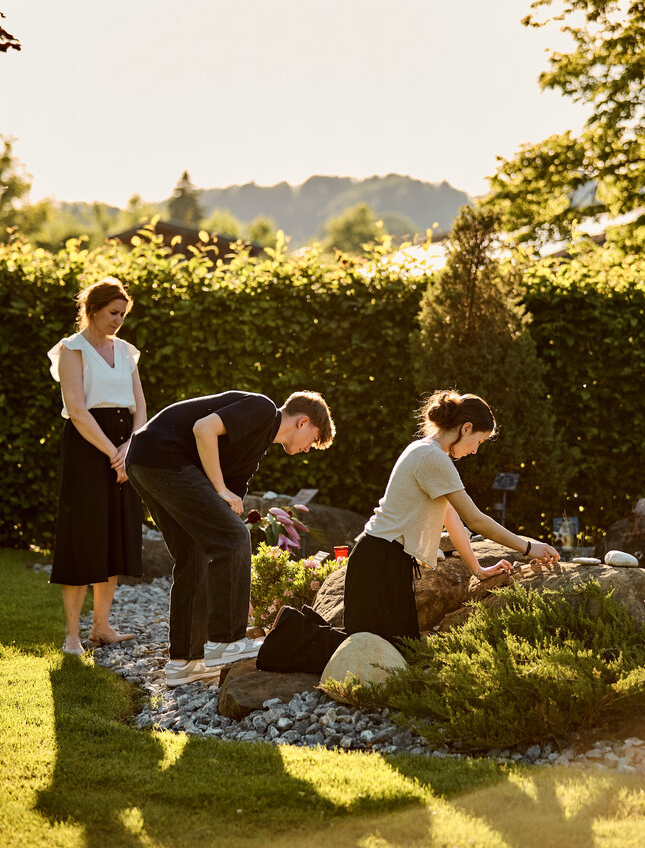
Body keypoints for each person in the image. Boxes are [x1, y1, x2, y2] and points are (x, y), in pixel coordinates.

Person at [125, 390, 335, 687]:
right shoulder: (263, 409)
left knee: (194, 552)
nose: (308, 449)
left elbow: (229, 503)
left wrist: (224, 499)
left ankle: (185, 662)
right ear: (303, 422)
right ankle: (226, 641)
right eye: (313, 440)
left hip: (145, 460)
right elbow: (204, 428)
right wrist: (220, 489)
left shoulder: (256, 447)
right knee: (235, 538)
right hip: (163, 458)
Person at [344, 389, 559, 645]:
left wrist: (478, 570)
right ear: (466, 428)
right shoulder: (432, 456)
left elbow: (453, 519)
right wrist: (528, 547)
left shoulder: (428, 451)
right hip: (380, 561)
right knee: (374, 650)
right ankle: (300, 637)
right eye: (478, 441)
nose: (475, 451)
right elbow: (475, 520)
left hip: (383, 558)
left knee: (395, 650)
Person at [48, 276, 146, 655]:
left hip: (125, 445)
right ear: (92, 309)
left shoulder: (127, 352)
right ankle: (72, 635)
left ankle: (101, 627)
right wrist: (112, 453)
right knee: (82, 537)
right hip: (88, 448)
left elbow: (140, 406)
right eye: (113, 313)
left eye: (123, 315)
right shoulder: (71, 350)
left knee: (114, 536)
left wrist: (129, 447)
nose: (118, 320)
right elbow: (76, 410)